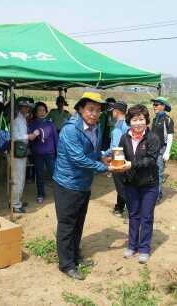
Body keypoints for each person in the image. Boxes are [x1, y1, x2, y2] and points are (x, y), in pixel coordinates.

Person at [53, 92, 119, 280]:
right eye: (90, 109)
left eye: (98, 110)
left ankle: (75, 256)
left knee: (78, 222)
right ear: (81, 109)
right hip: (68, 183)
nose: (94, 114)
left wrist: (102, 156)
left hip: (83, 183)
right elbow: (78, 158)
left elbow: (92, 151)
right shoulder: (70, 130)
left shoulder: (95, 127)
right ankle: (66, 265)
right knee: (67, 224)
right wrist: (104, 167)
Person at [118, 104, 160, 264]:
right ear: (129, 121)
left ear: (146, 120)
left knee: (146, 217)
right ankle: (131, 245)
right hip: (131, 183)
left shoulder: (153, 138)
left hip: (149, 184)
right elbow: (120, 153)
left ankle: (144, 249)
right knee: (133, 215)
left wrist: (131, 164)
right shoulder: (125, 137)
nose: (138, 123)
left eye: (141, 119)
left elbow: (150, 159)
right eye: (134, 119)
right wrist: (114, 161)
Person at [11, 98, 39, 213]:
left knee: (20, 177)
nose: (27, 108)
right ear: (20, 107)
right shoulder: (17, 119)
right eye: (25, 106)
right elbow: (15, 136)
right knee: (18, 177)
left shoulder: (22, 118)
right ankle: (15, 204)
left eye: (28, 107)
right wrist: (30, 136)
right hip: (18, 149)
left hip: (21, 149)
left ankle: (17, 201)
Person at [102, 101, 129, 217]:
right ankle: (119, 208)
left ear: (116, 112)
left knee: (121, 186)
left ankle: (130, 213)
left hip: (119, 156)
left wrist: (104, 153)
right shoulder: (128, 123)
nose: (111, 113)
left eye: (112, 111)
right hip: (128, 157)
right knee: (125, 184)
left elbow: (115, 146)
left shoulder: (118, 126)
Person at [29, 102, 58, 204]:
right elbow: (30, 139)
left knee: (54, 174)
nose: (41, 112)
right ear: (35, 112)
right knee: (39, 175)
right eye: (39, 110)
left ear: (46, 112)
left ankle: (59, 193)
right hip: (37, 154)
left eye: (43, 110)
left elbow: (55, 138)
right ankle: (41, 194)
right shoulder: (32, 124)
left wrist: (57, 152)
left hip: (50, 153)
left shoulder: (50, 123)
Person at [151, 97, 174, 203]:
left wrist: (167, 151)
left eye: (156, 105)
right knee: (152, 172)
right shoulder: (155, 119)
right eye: (154, 105)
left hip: (161, 149)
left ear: (163, 106)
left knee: (159, 172)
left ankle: (157, 195)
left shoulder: (168, 120)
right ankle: (154, 192)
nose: (154, 106)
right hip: (152, 150)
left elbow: (170, 136)